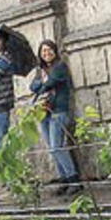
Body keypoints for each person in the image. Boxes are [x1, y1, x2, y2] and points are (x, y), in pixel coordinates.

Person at [30, 40, 81, 195]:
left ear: (55, 51)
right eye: (43, 51)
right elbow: (32, 86)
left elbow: (49, 84)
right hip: (43, 111)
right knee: (52, 149)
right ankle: (64, 178)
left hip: (58, 110)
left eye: (49, 50)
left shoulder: (60, 67)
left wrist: (42, 83)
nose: (46, 54)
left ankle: (74, 179)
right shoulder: (41, 70)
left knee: (57, 146)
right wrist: (41, 82)